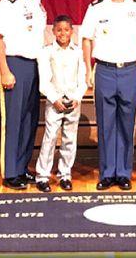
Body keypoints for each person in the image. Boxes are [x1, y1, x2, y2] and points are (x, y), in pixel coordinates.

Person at [81, 0, 136, 191]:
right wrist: (88, 67)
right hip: (105, 70)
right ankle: (107, 172)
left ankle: (124, 172)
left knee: (127, 123)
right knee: (106, 123)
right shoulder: (96, 8)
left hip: (129, 70)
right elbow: (86, 39)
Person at [0, 0, 47, 190]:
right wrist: (5, 70)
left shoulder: (37, 2)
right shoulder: (8, 4)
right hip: (13, 63)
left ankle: (22, 167)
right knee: (12, 121)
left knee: (29, 120)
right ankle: (10, 172)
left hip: (34, 65)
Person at [34, 15, 87, 193]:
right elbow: (44, 81)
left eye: (66, 29)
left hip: (73, 101)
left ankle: (65, 174)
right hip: (54, 101)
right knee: (49, 138)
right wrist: (54, 98)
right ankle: (42, 176)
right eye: (59, 30)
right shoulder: (46, 51)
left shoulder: (78, 52)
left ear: (72, 31)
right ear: (53, 31)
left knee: (69, 139)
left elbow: (83, 79)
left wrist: (77, 97)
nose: (62, 33)